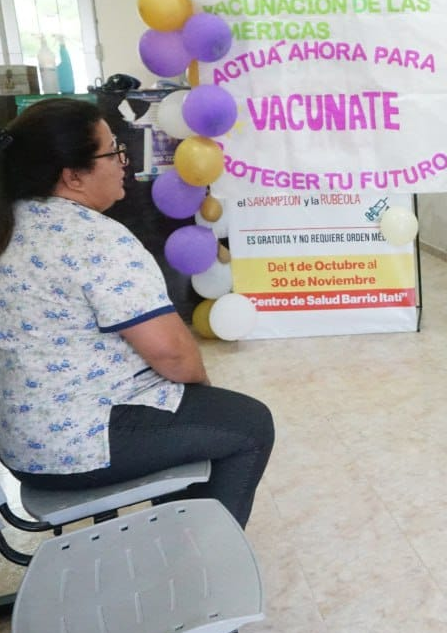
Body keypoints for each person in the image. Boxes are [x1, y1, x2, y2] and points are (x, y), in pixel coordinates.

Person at [0, 98, 274, 528]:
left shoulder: (10, 224)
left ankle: (166, 539)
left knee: (198, 418)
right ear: (73, 176)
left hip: (19, 444)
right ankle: (197, 556)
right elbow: (174, 358)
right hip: (76, 445)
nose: (124, 162)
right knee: (247, 424)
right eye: (113, 152)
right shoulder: (95, 239)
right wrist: (201, 392)